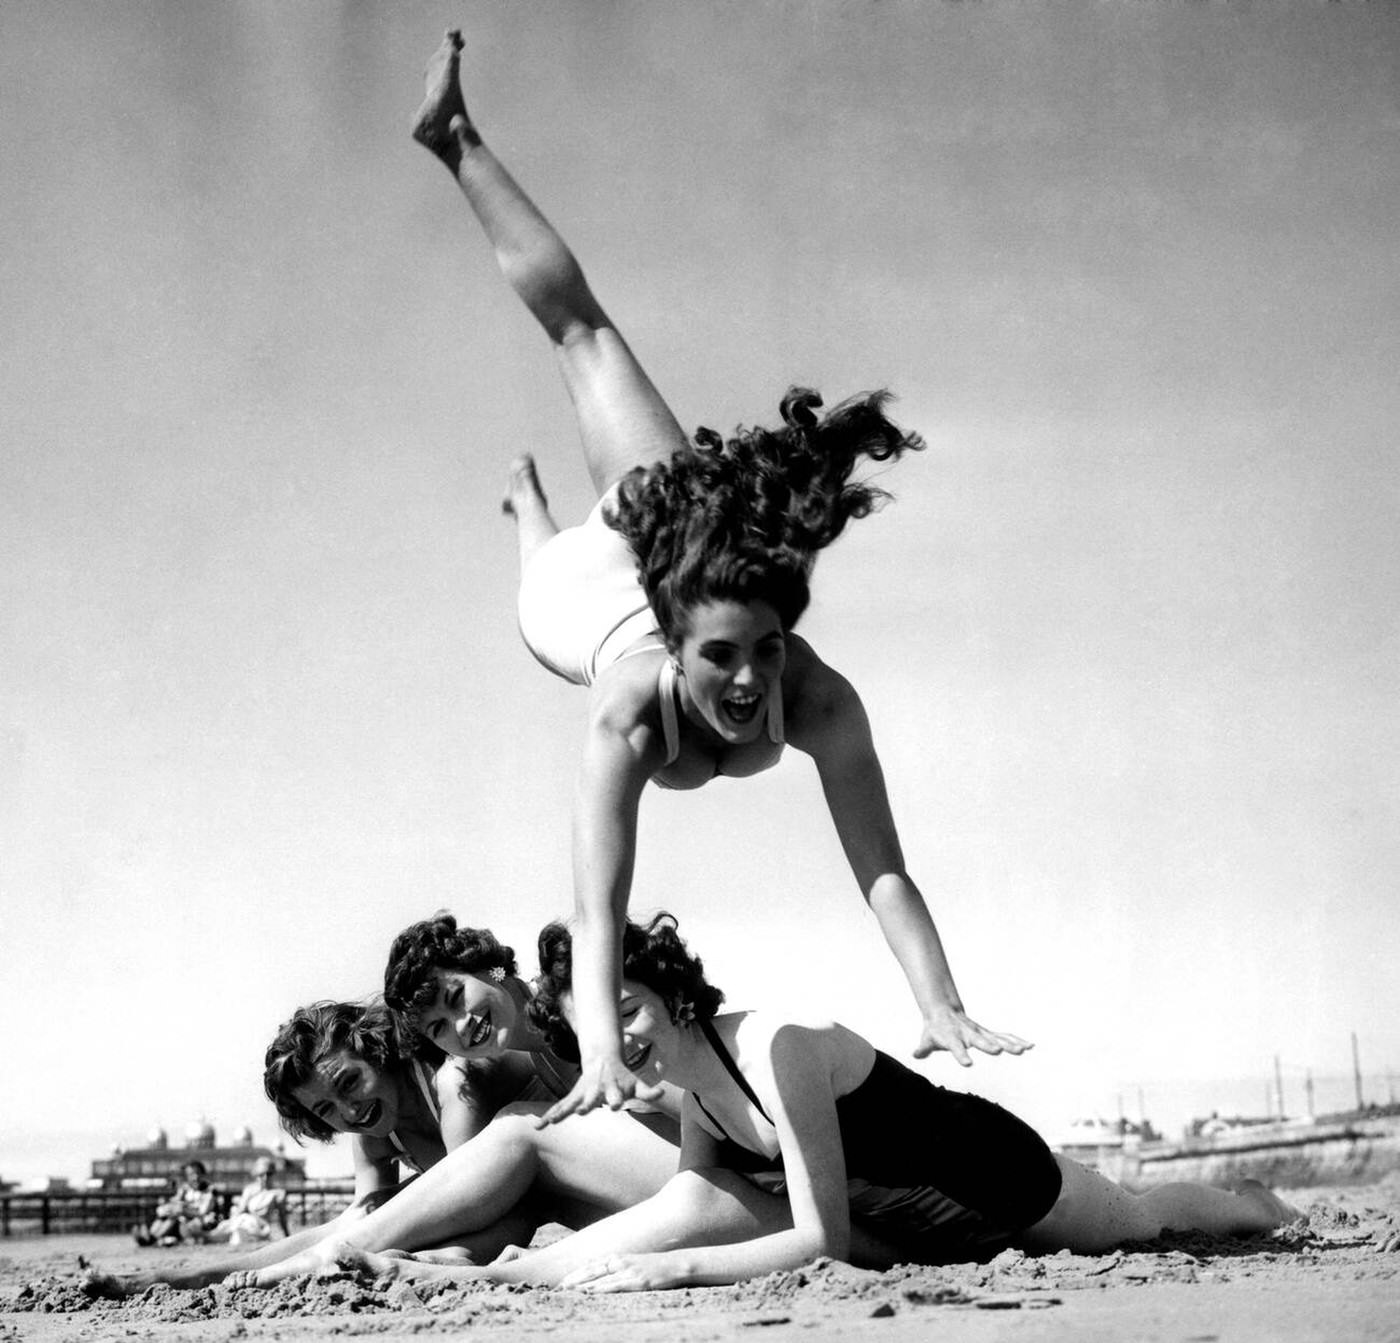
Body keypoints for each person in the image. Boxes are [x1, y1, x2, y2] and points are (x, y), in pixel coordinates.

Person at [410, 28, 1029, 1127]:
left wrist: (937, 998)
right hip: (580, 594)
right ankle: (457, 152)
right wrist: (598, 1049)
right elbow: (595, 912)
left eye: (765, 651)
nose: (748, 683)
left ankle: (531, 488)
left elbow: (879, 864)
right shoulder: (623, 716)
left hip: (671, 529)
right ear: (680, 637)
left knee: (621, 380)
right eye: (722, 659)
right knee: (580, 336)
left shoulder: (817, 696)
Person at [311, 914, 1299, 1292]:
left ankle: (1263, 1204)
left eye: (631, 1012)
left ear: (674, 991)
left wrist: (676, 1272)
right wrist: (514, 1278)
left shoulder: (772, 1049)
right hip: (913, 1220)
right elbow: (675, 1210)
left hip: (995, 1179)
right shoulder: (697, 1091)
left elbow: (819, 1235)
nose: (625, 1041)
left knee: (1143, 1219)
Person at [133, 1160, 220, 1248]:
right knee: (167, 1215)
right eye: (191, 1175)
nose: (195, 1177)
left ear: (203, 1174)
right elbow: (174, 1202)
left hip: (203, 1224)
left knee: (175, 1216)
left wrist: (183, 1210)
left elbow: (202, 1212)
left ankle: (151, 1239)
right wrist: (166, 1209)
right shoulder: (185, 1189)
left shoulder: (210, 1191)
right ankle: (150, 1236)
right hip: (183, 1221)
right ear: (187, 1176)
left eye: (197, 1173)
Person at [207, 1158, 289, 1246]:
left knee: (239, 1230)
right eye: (261, 1174)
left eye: (269, 1174)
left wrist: (287, 1236)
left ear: (273, 1174)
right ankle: (208, 1235)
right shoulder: (249, 1190)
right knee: (230, 1227)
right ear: (256, 1174)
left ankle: (209, 1235)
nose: (265, 1178)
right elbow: (240, 1210)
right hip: (243, 1221)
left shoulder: (278, 1193)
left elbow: (282, 1218)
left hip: (260, 1228)